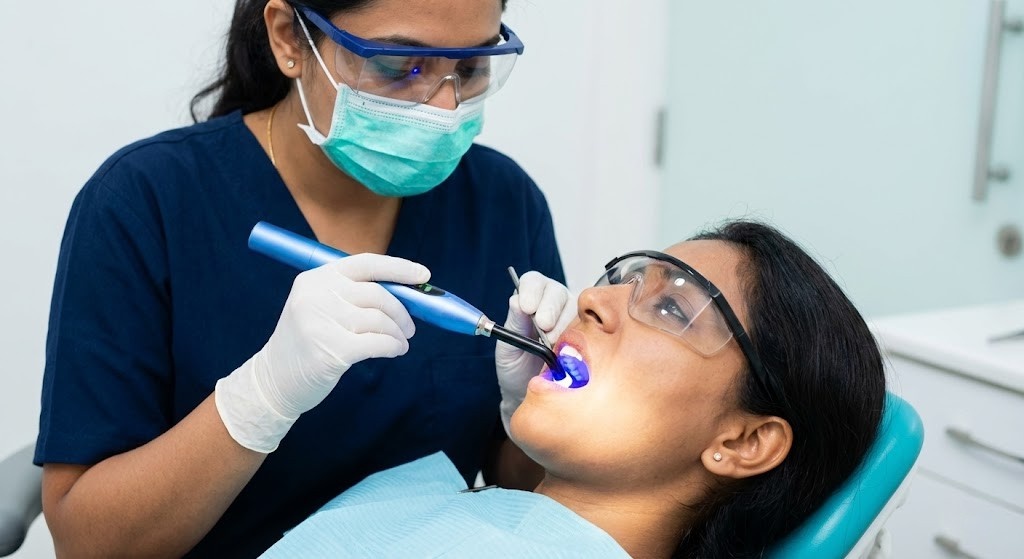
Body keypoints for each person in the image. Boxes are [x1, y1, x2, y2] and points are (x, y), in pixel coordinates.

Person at [35, 1, 565, 557]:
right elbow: (87, 543)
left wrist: (535, 424)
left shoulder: (504, 202)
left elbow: (534, 500)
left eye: (472, 67)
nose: (444, 106)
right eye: (400, 66)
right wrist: (259, 401)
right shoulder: (146, 202)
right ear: (289, 37)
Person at [256, 219, 888, 558]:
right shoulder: (470, 518)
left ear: (744, 441)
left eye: (671, 308)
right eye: (624, 279)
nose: (590, 298)